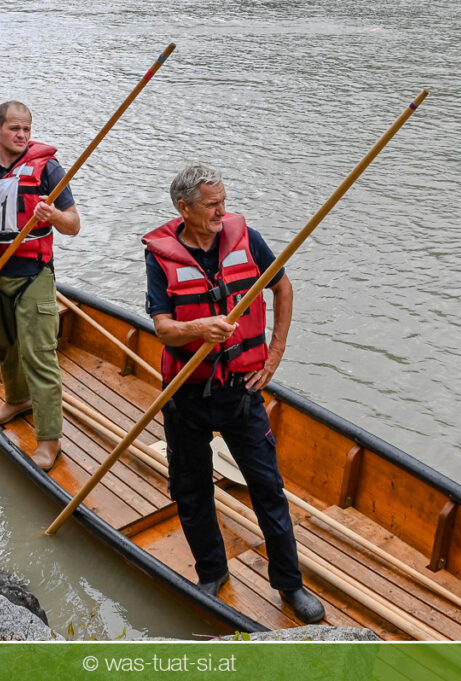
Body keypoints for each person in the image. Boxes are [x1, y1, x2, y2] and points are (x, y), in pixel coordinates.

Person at [141, 165, 324, 624]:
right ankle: (212, 572)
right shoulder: (160, 256)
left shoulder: (247, 238)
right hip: (187, 394)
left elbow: (283, 287)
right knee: (191, 489)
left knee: (267, 488)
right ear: (184, 208)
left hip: (242, 391)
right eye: (211, 204)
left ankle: (290, 584)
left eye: (224, 201)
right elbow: (163, 328)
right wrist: (197, 328)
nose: (222, 211)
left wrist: (274, 354)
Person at [0, 101, 80, 470]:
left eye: (27, 129)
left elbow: (73, 225)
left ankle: (49, 440)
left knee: (39, 356)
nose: (22, 135)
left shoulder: (49, 169)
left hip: (33, 276)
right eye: (14, 128)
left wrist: (53, 215)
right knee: (4, 346)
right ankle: (17, 400)